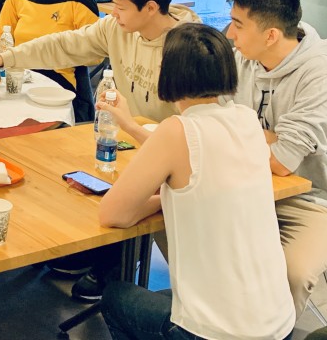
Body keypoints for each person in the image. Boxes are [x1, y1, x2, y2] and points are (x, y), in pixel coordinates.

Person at [99, 23, 295, 340]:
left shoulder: (177, 130)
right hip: (280, 323)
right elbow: (197, 167)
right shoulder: (246, 119)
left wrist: (159, 200)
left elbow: (113, 214)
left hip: (218, 334)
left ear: (169, 73)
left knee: (116, 297)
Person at [226, 0, 327, 319]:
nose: (230, 34)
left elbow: (281, 162)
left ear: (271, 35)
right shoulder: (243, 58)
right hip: (248, 185)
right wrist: (266, 136)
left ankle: (273, 330)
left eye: (238, 25)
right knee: (178, 226)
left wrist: (242, 130)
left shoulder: (321, 76)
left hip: (318, 201)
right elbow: (212, 121)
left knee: (292, 271)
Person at [0, 0, 201, 127]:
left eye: (121, 8)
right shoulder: (115, 28)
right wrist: (1, 59)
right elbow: (61, 45)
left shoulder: (191, 51)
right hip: (124, 140)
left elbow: (196, 130)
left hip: (167, 152)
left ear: (151, 8)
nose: (113, 14)